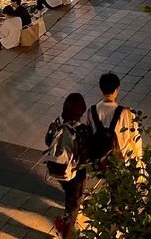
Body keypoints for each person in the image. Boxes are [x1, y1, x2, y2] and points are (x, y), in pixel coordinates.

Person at [45, 94, 92, 239]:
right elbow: (85, 155)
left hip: (56, 168)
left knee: (68, 193)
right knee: (73, 206)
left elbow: (48, 140)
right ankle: (67, 234)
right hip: (74, 173)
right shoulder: (81, 129)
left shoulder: (56, 122)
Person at [86, 73, 142, 167]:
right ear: (117, 89)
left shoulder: (91, 112)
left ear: (101, 89)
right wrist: (139, 159)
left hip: (99, 161)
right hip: (122, 161)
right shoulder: (127, 113)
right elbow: (136, 138)